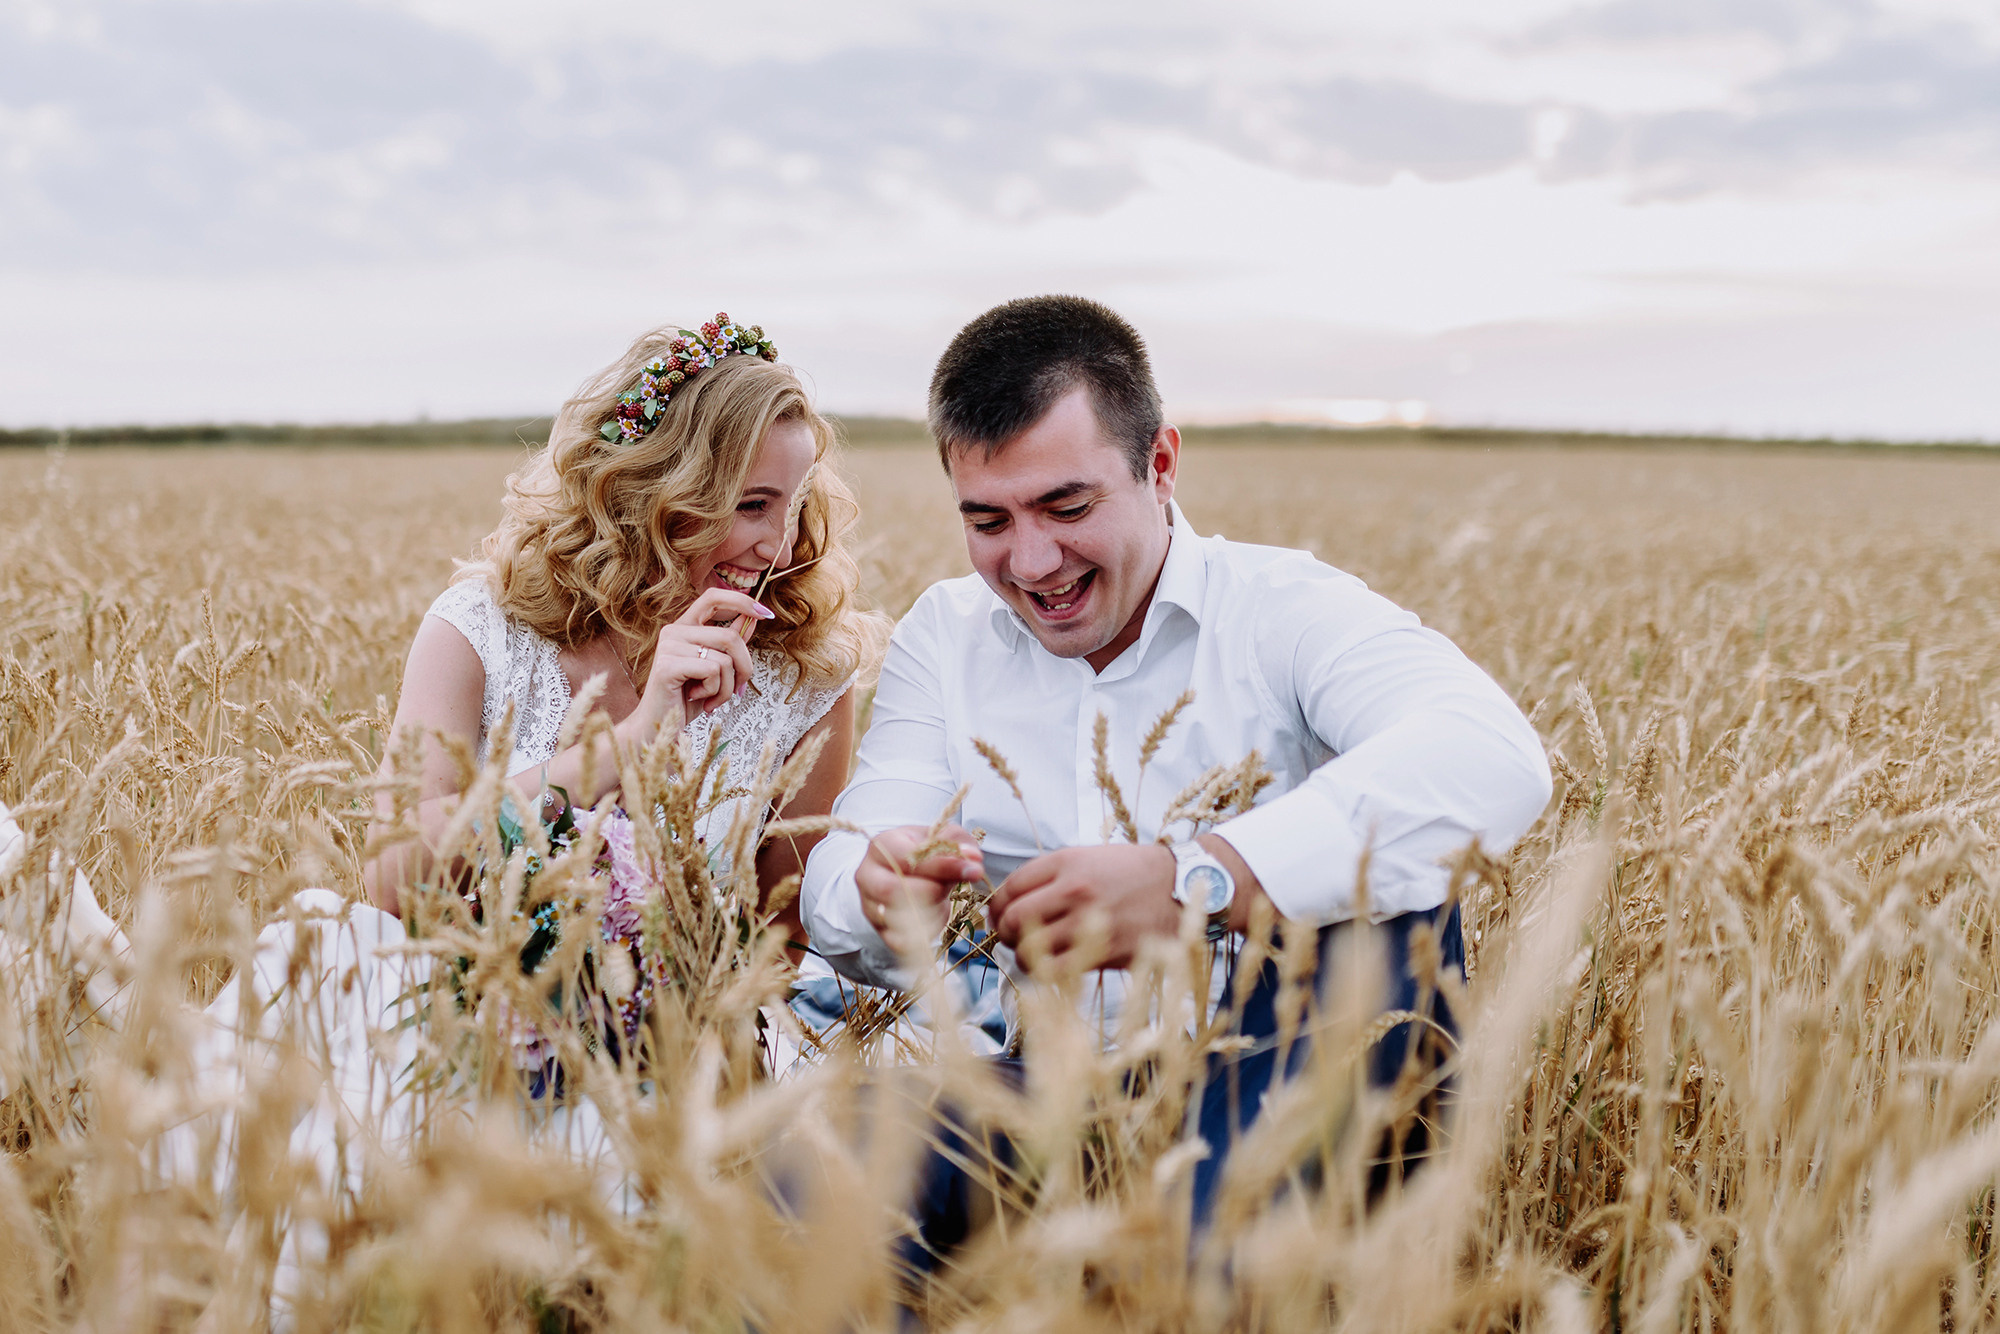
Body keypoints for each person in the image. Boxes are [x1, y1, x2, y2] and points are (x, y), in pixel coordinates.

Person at [799, 295, 1553, 1237]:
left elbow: (1490, 754)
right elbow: (842, 869)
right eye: (987, 519)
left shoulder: (1283, 610)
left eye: (1066, 506)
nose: (1033, 561)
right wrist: (876, 884)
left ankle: (1214, 1262)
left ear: (1160, 466)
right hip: (1044, 1096)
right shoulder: (945, 640)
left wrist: (1201, 879)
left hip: (1279, 1076)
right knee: (811, 1187)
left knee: (1389, 907)